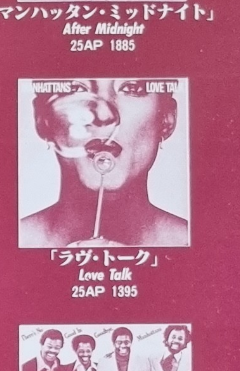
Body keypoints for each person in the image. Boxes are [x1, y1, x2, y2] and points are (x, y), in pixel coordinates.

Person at [19, 78, 190, 249]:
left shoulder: (198, 247)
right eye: (76, 88)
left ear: (167, 120)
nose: (103, 114)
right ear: (43, 120)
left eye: (132, 88)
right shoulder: (9, 245)